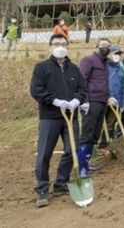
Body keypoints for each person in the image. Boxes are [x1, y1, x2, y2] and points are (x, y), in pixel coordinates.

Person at [30, 34, 87, 207]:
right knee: (44, 154)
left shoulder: (74, 69)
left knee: (72, 151)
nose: (60, 46)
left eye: (63, 44)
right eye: (56, 44)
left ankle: (61, 183)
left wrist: (77, 100)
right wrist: (55, 101)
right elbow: (36, 90)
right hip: (50, 117)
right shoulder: (42, 67)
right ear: (49, 47)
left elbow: (82, 88)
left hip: (71, 116)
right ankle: (42, 188)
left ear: (68, 47)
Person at [78, 38, 116, 177]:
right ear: (97, 47)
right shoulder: (88, 60)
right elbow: (82, 80)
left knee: (95, 134)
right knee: (87, 134)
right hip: (91, 102)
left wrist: (109, 96)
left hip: (102, 102)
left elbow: (104, 83)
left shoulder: (106, 63)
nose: (106, 48)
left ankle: (87, 163)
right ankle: (81, 167)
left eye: (108, 46)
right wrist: (84, 101)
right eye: (103, 45)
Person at [98, 46, 124, 151]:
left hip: (116, 102)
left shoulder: (121, 70)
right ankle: (92, 145)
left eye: (119, 54)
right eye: (115, 53)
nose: (117, 56)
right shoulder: (104, 67)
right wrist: (106, 97)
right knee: (99, 123)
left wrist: (122, 103)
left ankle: (104, 144)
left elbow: (123, 87)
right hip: (104, 100)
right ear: (109, 54)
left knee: (110, 124)